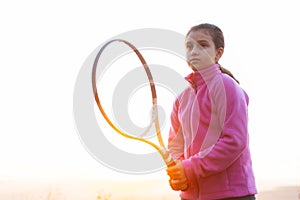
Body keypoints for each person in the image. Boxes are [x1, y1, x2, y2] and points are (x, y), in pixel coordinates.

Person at [166, 23, 257, 200]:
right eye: (189, 46)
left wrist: (189, 168)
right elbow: (175, 144)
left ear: (218, 53)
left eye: (203, 45)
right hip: (191, 196)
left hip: (232, 195)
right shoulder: (181, 97)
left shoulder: (227, 86)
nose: (193, 51)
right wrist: (179, 172)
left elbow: (234, 141)